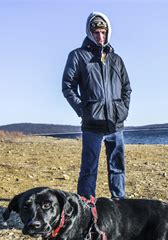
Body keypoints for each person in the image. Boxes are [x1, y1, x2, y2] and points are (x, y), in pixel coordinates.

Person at [62, 12, 131, 199]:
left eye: (103, 32)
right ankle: (85, 207)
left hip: (115, 124)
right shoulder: (77, 56)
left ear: (108, 33)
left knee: (117, 167)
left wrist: (123, 111)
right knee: (89, 169)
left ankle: (119, 204)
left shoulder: (116, 60)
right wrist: (83, 110)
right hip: (92, 124)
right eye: (96, 32)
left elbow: (127, 88)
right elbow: (67, 86)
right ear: (89, 33)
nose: (100, 36)